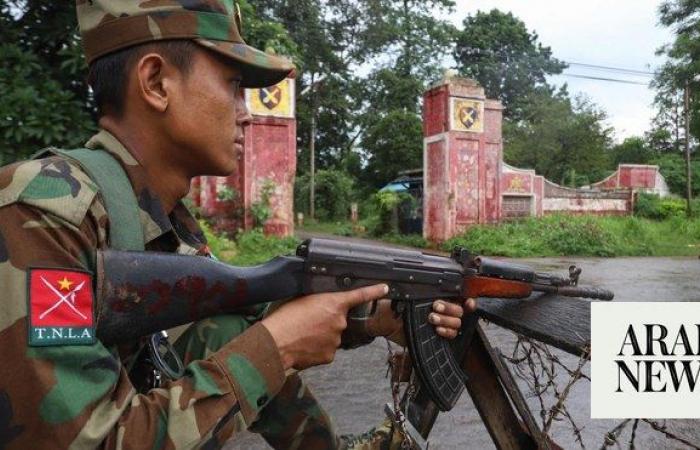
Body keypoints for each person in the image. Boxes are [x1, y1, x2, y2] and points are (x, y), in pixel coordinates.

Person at [0, 1, 475, 449]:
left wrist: (371, 317)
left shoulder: (157, 221)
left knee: (223, 328)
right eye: (232, 85)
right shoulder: (44, 211)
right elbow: (88, 441)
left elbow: (231, 324)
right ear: (156, 82)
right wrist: (280, 347)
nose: (247, 113)